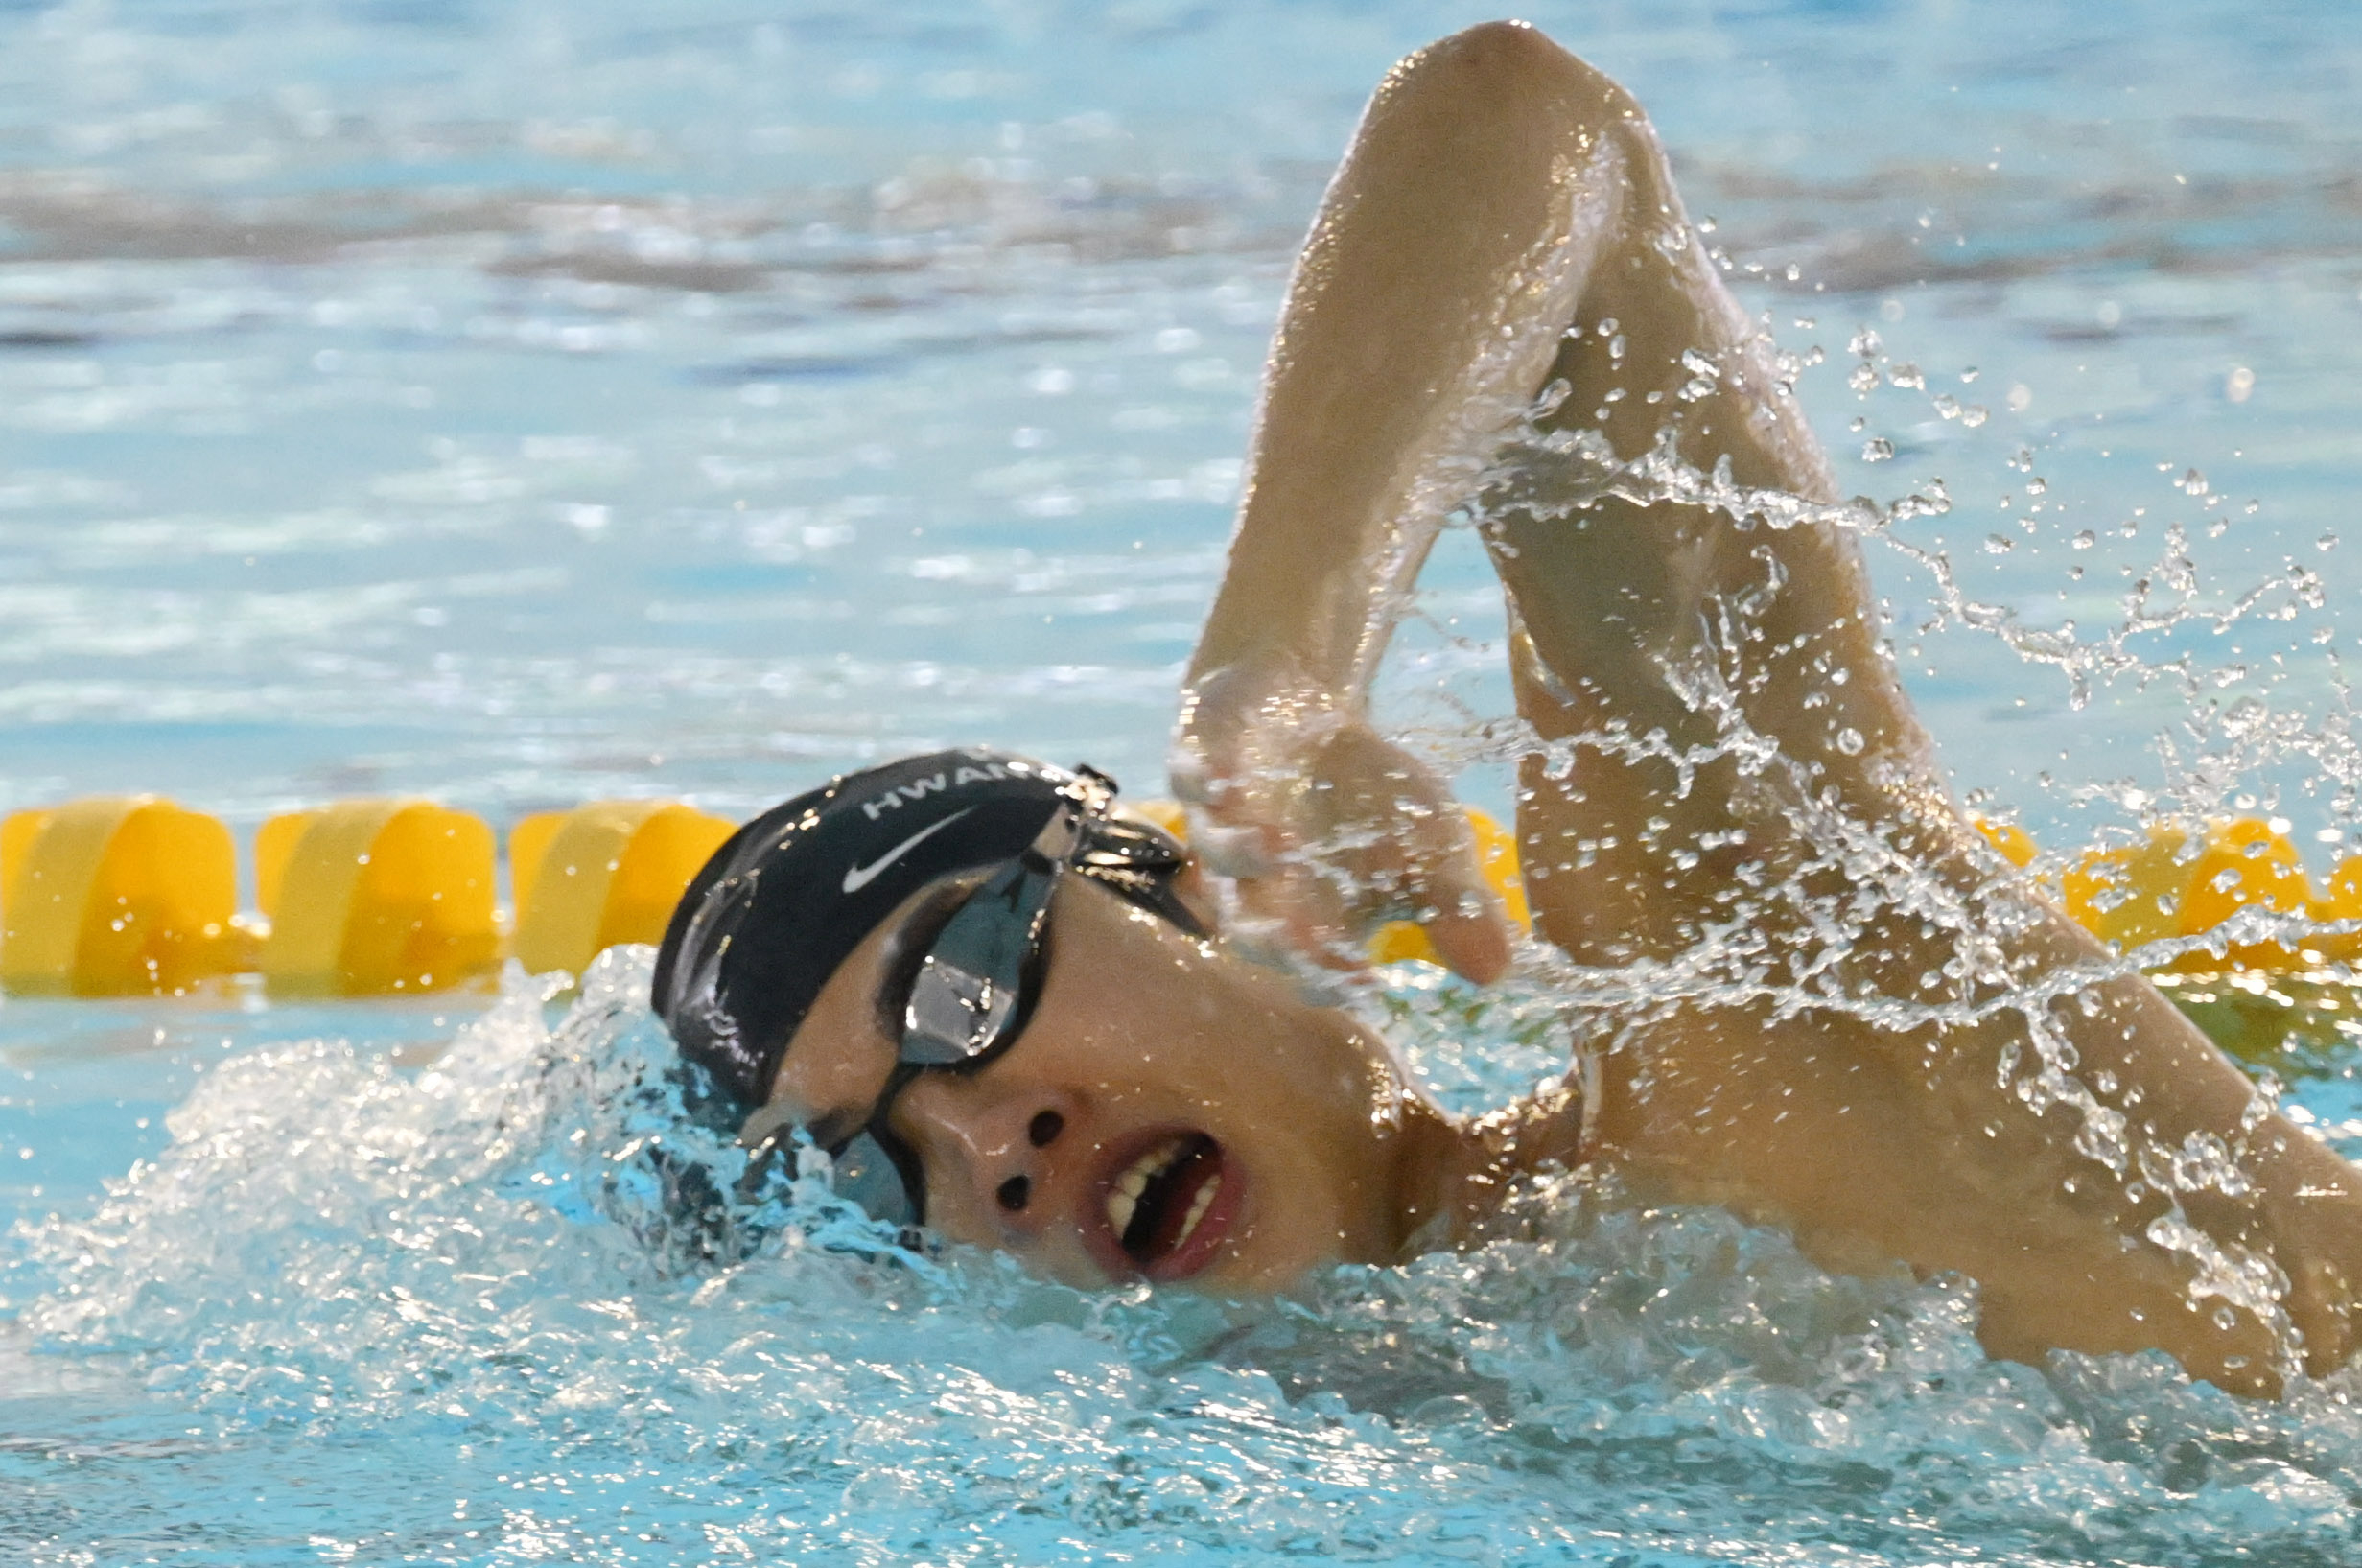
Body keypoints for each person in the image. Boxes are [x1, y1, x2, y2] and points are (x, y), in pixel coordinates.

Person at [653, 21, 2362, 1397]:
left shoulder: (1752, 1028)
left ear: (1174, 882)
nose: (989, 1153)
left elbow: (1521, 124)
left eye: (964, 986)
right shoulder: (1428, 1429)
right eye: (878, 1173)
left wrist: (1283, 665)